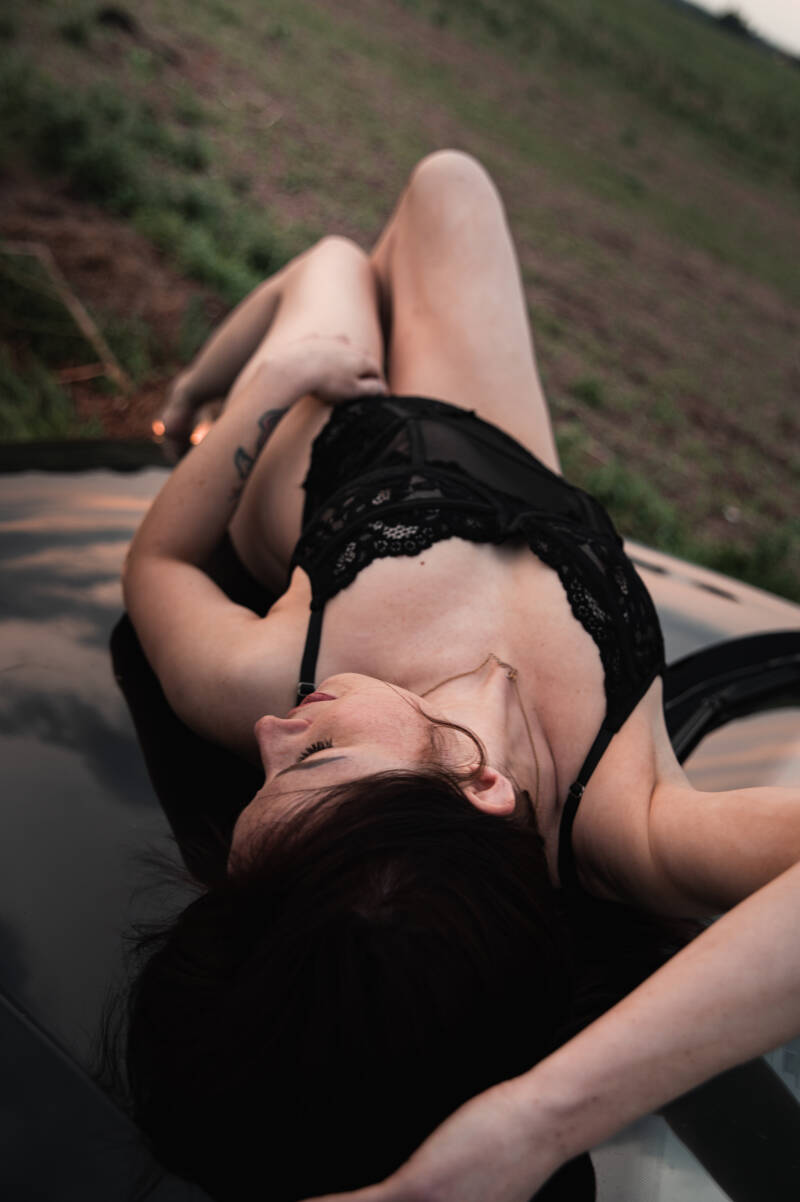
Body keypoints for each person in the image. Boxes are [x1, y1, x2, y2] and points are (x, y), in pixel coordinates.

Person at [121, 150, 800, 1202]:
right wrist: (536, 1120)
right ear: (480, 788)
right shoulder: (631, 821)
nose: (270, 734)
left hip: (329, 439)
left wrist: (269, 390)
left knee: (360, 267)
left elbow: (159, 566)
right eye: (318, 758)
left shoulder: (270, 674)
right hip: (495, 452)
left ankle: (188, 406)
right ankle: (214, 374)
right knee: (424, 204)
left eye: (263, 779)